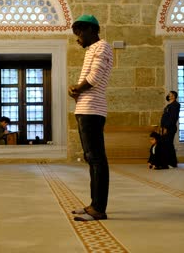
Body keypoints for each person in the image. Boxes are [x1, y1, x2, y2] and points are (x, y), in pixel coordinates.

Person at [68, 14, 113, 221]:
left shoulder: (102, 46)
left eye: (79, 33)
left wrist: (76, 88)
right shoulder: (93, 49)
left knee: (96, 159)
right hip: (86, 108)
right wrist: (77, 92)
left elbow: (94, 78)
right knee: (91, 158)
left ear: (90, 30)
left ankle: (98, 208)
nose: (78, 39)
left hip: (92, 110)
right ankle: (94, 204)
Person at [160, 91, 180, 168]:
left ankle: (172, 163)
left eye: (171, 94)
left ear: (174, 96)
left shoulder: (176, 105)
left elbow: (173, 118)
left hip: (170, 128)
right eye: (169, 94)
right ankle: (168, 161)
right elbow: (165, 117)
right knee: (166, 145)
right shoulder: (169, 105)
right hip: (165, 127)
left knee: (169, 145)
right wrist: (162, 126)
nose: (169, 95)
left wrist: (166, 128)